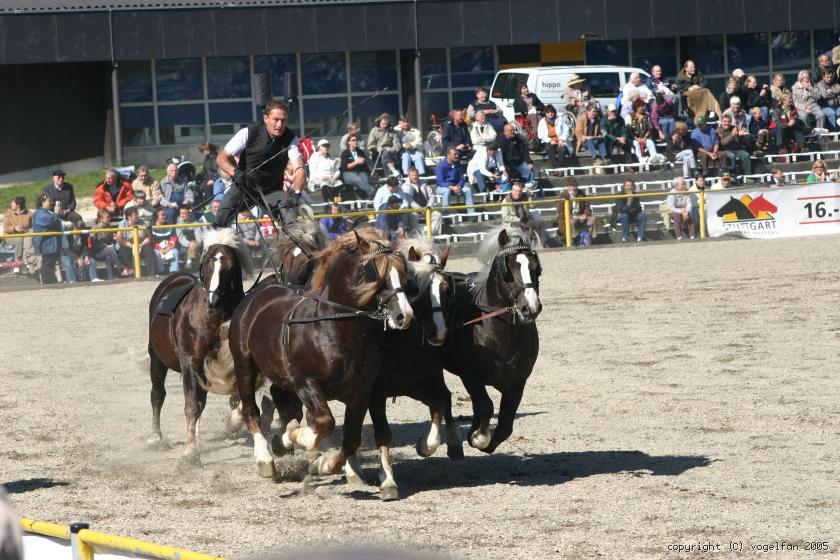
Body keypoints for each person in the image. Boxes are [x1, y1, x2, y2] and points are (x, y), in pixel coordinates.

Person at [214, 99, 305, 228]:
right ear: (265, 119)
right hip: (244, 186)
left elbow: (300, 170)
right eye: (276, 119)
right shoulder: (247, 133)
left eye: (283, 120)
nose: (279, 124)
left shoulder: (291, 139)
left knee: (291, 222)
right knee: (220, 218)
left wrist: (296, 192)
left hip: (272, 191)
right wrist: (235, 173)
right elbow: (221, 158)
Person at [501, 179, 548, 245]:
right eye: (516, 191)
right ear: (512, 191)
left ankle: (543, 244)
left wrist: (531, 196)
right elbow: (505, 217)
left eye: (520, 191)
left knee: (541, 224)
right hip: (513, 222)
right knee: (527, 228)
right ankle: (528, 246)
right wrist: (518, 219)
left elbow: (533, 205)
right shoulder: (506, 200)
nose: (518, 193)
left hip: (525, 220)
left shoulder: (525, 197)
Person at [554, 177, 596, 246]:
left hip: (581, 217)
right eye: (571, 186)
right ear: (567, 187)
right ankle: (573, 242)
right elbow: (560, 212)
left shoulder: (581, 194)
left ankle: (591, 240)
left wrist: (585, 214)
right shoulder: (562, 196)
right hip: (568, 218)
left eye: (574, 186)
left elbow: (587, 206)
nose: (573, 188)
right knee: (571, 222)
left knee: (592, 219)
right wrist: (573, 217)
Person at [114, 206, 155, 276]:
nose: (138, 216)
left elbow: (149, 237)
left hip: (141, 245)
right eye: (135, 215)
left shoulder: (142, 222)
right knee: (124, 250)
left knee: (149, 249)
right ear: (129, 217)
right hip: (127, 245)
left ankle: (151, 274)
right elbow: (120, 240)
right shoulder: (122, 224)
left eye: (137, 214)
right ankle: (131, 272)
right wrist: (132, 246)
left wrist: (141, 245)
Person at [32, 193, 62, 284]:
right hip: (46, 244)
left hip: (52, 244)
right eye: (49, 201)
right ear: (42, 202)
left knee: (51, 264)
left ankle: (51, 282)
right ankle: (46, 283)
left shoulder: (48, 212)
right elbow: (51, 220)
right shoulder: (39, 213)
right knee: (47, 264)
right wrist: (56, 212)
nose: (51, 203)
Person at [434, 147, 475, 215]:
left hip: (456, 186)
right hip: (442, 187)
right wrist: (451, 187)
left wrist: (459, 186)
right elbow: (440, 181)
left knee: (468, 190)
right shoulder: (440, 166)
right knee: (446, 191)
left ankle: (471, 214)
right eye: (454, 154)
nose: (457, 156)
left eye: (457, 154)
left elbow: (462, 179)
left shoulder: (458, 165)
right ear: (448, 155)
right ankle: (446, 214)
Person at [538, 104, 574, 168]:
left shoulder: (560, 119)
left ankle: (557, 169)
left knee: (562, 149)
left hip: (559, 140)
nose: (550, 113)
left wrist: (562, 139)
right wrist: (550, 140)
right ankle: (557, 168)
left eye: (552, 112)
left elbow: (566, 130)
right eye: (548, 112)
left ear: (554, 112)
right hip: (548, 141)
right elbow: (540, 135)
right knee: (548, 148)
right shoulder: (542, 121)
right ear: (545, 113)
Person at [2, 196, 32, 272]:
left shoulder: (29, 214)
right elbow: (6, 227)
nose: (11, 204)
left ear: (18, 205)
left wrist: (25, 230)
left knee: (28, 239)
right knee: (19, 239)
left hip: (25, 235)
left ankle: (28, 261)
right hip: (9, 236)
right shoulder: (8, 214)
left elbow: (33, 227)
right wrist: (14, 228)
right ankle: (17, 263)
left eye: (13, 203)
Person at [367, 113, 401, 177]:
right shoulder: (374, 131)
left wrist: (392, 149)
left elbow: (397, 144)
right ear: (379, 122)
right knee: (385, 154)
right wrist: (377, 149)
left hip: (391, 152)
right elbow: (370, 145)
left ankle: (388, 176)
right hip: (377, 153)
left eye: (387, 124)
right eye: (383, 124)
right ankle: (393, 170)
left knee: (385, 155)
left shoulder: (392, 131)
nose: (385, 125)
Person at [176, 204, 207, 271]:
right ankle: (191, 262)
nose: (182, 215)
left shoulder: (195, 223)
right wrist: (189, 244)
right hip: (183, 246)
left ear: (189, 214)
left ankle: (190, 262)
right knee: (193, 245)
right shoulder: (178, 223)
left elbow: (199, 238)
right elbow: (180, 239)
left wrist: (196, 244)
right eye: (181, 213)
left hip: (196, 246)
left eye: (184, 213)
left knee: (194, 244)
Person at [151, 207, 179, 274]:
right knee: (156, 253)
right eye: (162, 215)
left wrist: (168, 247)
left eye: (165, 215)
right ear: (156, 216)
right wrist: (160, 249)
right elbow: (152, 241)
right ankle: (161, 271)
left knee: (175, 251)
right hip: (157, 248)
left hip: (168, 247)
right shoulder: (152, 227)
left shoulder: (168, 226)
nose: (165, 216)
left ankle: (174, 271)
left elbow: (173, 238)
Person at [628, 98, 658, 163]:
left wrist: (645, 137)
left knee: (650, 142)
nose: (643, 108)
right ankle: (640, 159)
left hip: (644, 138)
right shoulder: (630, 116)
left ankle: (655, 158)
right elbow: (628, 130)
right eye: (641, 106)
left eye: (643, 106)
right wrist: (636, 138)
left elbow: (650, 129)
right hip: (633, 139)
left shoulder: (647, 116)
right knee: (636, 143)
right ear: (636, 108)